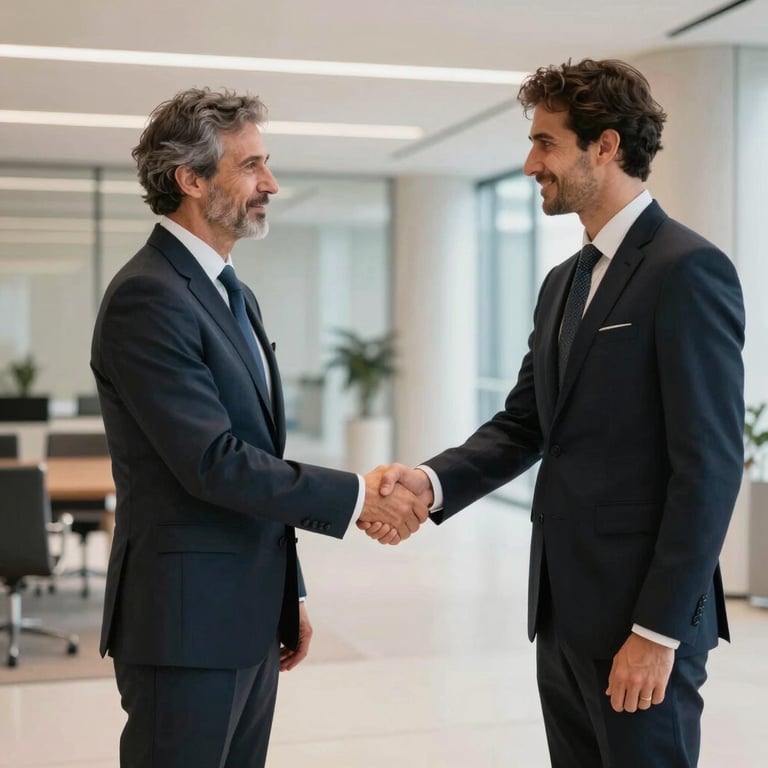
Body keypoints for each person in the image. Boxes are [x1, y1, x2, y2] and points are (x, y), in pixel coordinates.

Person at [370, 59, 745, 767]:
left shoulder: (687, 269)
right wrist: (430, 482)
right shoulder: (562, 283)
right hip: (563, 611)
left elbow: (711, 465)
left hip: (641, 619)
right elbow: (527, 423)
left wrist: (657, 632)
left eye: (546, 142)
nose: (529, 162)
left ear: (604, 145)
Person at [90, 87, 426, 768]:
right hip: (185, 627)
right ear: (190, 179)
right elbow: (212, 461)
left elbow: (254, 450)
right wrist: (361, 495)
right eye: (250, 166)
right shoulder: (148, 297)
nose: (270, 183)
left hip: (241, 614)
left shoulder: (227, 291)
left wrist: (285, 593)